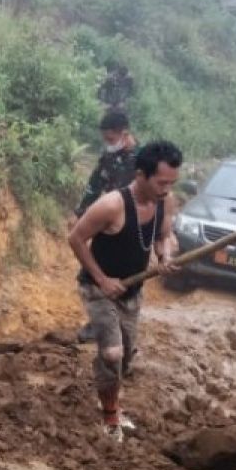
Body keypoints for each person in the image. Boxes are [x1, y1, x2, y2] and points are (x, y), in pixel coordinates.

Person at [69, 140, 181, 443]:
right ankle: (110, 417)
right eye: (161, 182)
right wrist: (103, 279)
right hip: (99, 290)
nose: (166, 189)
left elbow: (164, 236)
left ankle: (108, 391)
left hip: (132, 291)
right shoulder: (111, 205)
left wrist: (165, 257)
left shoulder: (165, 202)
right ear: (141, 175)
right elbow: (76, 239)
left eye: (172, 182)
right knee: (112, 352)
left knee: (126, 355)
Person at [74, 110, 139, 344]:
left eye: (111, 138)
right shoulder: (109, 157)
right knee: (95, 274)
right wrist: (80, 214)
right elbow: (94, 185)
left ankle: (120, 329)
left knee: (123, 277)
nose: (107, 143)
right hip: (106, 224)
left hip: (131, 228)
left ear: (124, 133)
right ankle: (99, 322)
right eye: (105, 138)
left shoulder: (142, 161)